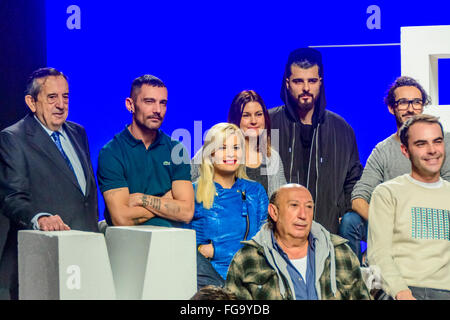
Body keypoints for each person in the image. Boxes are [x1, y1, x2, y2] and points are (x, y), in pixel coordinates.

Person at [0, 67, 99, 300]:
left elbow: (84, 196)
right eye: (52, 97)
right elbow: (12, 198)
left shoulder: (78, 133)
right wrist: (40, 218)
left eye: (65, 96)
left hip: (83, 256)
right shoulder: (13, 138)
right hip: (43, 259)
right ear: (31, 102)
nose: (61, 104)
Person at [341, 76, 450, 263]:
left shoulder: (442, 142)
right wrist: (387, 225)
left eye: (416, 102)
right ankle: (356, 283)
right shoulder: (383, 151)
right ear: (392, 108)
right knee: (350, 221)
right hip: (392, 223)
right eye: (403, 103)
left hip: (433, 219)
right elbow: (358, 198)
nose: (410, 108)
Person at [270, 48, 362, 234]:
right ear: (287, 83)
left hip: (328, 234)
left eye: (312, 81)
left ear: (320, 82)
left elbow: (353, 181)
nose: (306, 88)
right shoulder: (269, 125)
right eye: (298, 81)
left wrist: (343, 212)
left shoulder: (341, 130)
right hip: (276, 236)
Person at [225, 184, 370, 300]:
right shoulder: (246, 259)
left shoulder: (340, 252)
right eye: (294, 205)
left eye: (309, 207)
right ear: (274, 212)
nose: (303, 215)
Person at [368, 114, 450, 300]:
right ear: (405, 150)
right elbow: (378, 255)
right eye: (421, 144)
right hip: (403, 289)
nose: (432, 150)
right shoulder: (388, 193)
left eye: (437, 142)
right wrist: (400, 292)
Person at [97, 74, 194, 228]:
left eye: (163, 103)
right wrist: (166, 200)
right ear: (130, 105)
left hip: (173, 243)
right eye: (149, 102)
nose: (158, 110)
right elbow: (121, 219)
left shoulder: (177, 150)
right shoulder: (111, 153)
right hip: (129, 244)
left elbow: (187, 212)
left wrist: (142, 199)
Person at [185, 122, 268, 284]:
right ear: (210, 154)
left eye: (236, 148)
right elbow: (182, 245)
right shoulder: (193, 192)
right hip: (208, 281)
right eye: (223, 148)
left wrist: (218, 250)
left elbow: (265, 242)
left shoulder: (256, 192)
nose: (231, 154)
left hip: (250, 277)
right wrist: (200, 250)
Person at [191, 90, 286, 197]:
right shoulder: (216, 147)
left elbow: (280, 200)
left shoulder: (272, 157)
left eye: (259, 114)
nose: (254, 121)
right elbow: (185, 180)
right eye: (246, 115)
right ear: (235, 118)